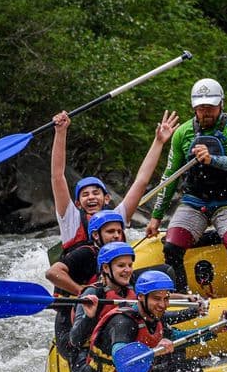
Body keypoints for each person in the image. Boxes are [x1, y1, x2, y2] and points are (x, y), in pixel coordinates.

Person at [145, 78, 227, 295]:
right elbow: (170, 175)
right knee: (171, 247)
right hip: (194, 201)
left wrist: (211, 159)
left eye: (211, 107)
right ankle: (181, 298)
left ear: (221, 104)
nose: (206, 113)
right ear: (194, 107)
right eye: (201, 108)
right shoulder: (183, 133)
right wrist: (156, 216)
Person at [66, 243, 204, 372]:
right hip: (92, 363)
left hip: (126, 355)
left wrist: (192, 311)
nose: (128, 270)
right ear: (106, 267)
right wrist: (88, 317)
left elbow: (156, 316)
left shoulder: (130, 292)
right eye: (121, 265)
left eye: (130, 265)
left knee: (182, 365)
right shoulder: (92, 295)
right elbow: (75, 340)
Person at [84, 270, 227, 372]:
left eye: (166, 298)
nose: (163, 305)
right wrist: (154, 350)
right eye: (157, 298)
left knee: (188, 369)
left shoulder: (154, 316)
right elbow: (122, 358)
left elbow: (178, 338)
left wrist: (214, 330)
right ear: (141, 297)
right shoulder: (123, 322)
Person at [46, 109, 179, 266]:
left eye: (96, 193)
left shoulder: (117, 217)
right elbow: (57, 177)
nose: (91, 197)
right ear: (78, 203)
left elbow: (141, 181)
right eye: (85, 195)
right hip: (80, 286)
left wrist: (158, 142)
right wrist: (60, 132)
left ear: (107, 198)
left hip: (113, 282)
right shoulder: (70, 218)